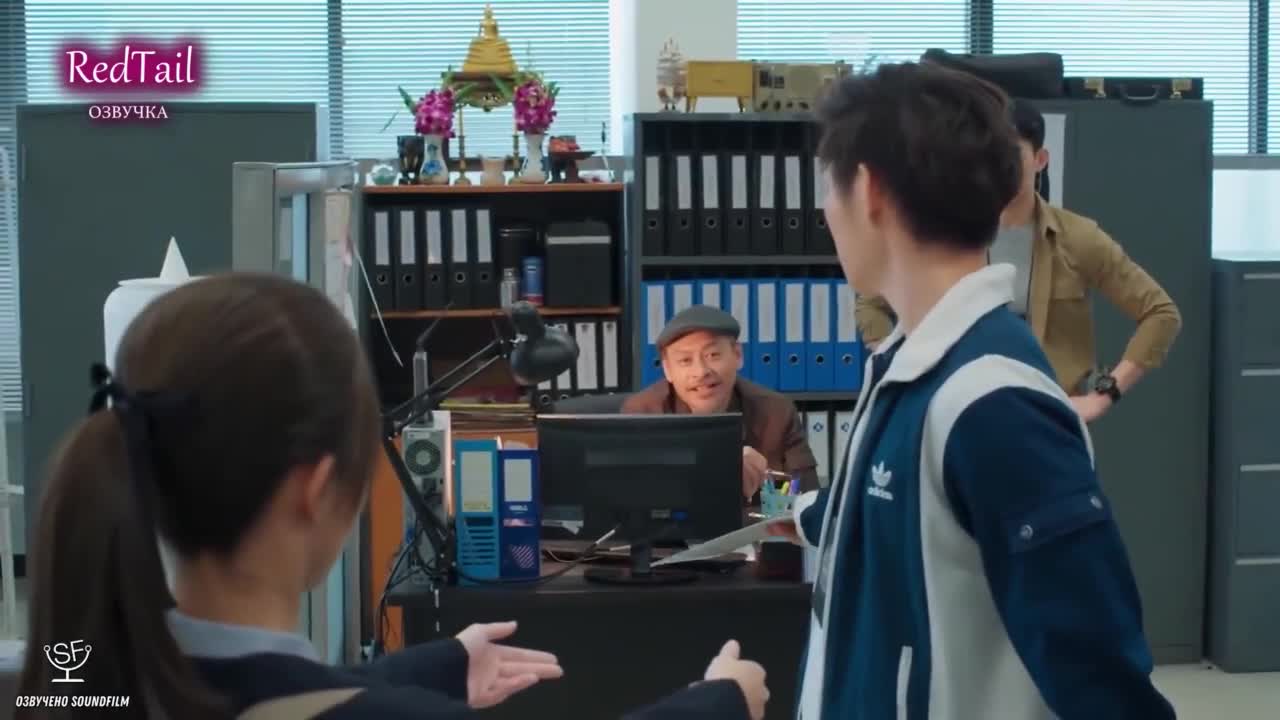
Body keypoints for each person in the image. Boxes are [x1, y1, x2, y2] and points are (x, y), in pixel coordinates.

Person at [17, 273, 771, 720]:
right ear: (316, 491)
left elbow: (261, 691)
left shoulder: (72, 685)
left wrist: (431, 667)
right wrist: (721, 702)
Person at [770, 63, 1175, 718]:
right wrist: (796, 510)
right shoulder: (910, 362)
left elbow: (1101, 678)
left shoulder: (992, 401)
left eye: (827, 185)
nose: (823, 208)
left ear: (869, 191)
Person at [854, 98, 1182, 423]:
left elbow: (1161, 313)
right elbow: (871, 302)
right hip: (958, 418)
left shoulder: (1077, 238)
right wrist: (900, 368)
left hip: (1047, 418)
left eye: (1012, 154)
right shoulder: (947, 233)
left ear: (1040, 159)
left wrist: (1104, 395)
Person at [621, 304, 819, 496]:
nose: (701, 372)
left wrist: (765, 479)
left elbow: (808, 499)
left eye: (712, 355)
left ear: (737, 355)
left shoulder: (776, 412)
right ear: (667, 370)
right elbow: (630, 500)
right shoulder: (642, 414)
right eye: (685, 360)